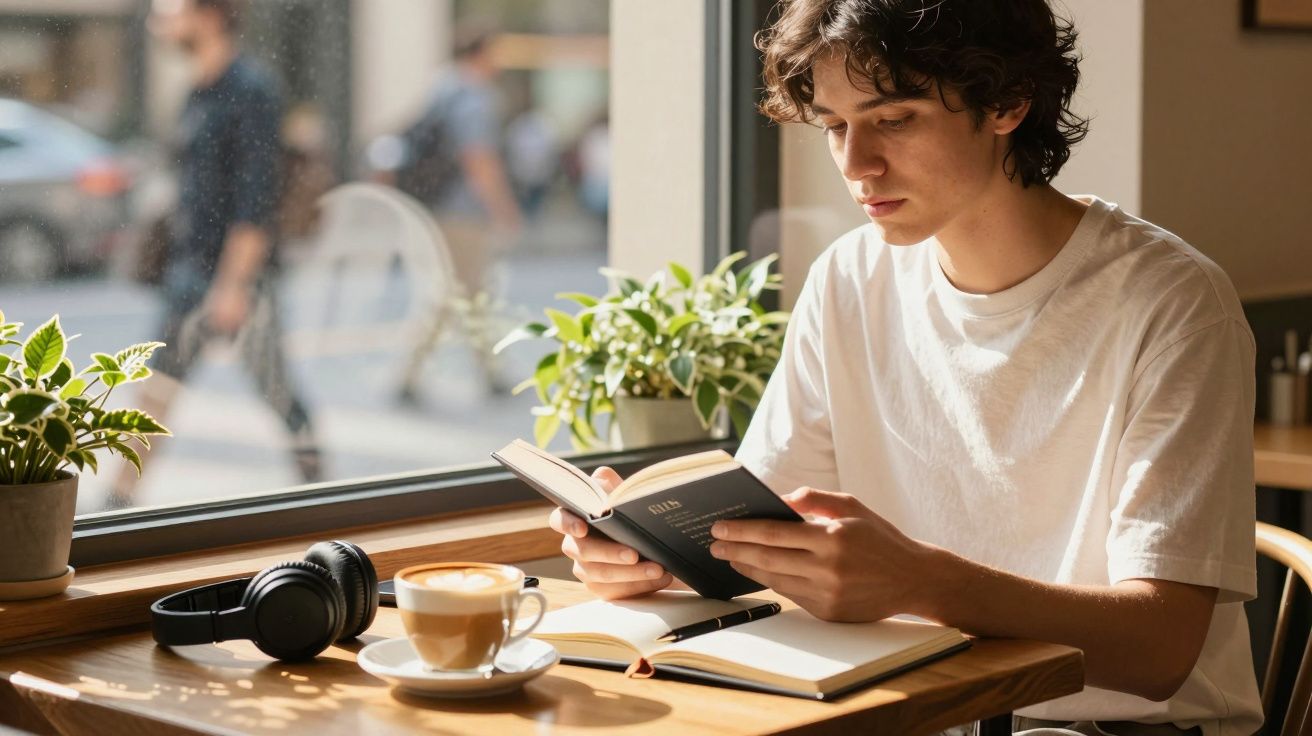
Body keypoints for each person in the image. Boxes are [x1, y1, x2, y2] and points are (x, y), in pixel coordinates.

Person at [549, 1, 1261, 734]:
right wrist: (658, 558)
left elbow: (1159, 647)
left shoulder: (1170, 302)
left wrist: (919, 581)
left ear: (1008, 102)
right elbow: (768, 532)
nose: (857, 164)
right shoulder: (848, 281)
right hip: (919, 707)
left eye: (894, 119)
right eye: (834, 126)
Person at [105, 0, 321, 509]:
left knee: (277, 389)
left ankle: (320, 485)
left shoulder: (252, 91)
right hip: (189, 268)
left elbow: (256, 198)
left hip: (236, 273)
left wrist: (234, 285)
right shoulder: (197, 90)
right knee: (156, 384)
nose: (159, 18)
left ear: (209, 15)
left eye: (170, 8)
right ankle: (117, 502)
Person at [393, 28, 523, 402]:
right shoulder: (472, 96)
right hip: (462, 212)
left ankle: (489, 370)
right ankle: (412, 374)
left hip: (436, 206)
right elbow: (478, 158)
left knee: (465, 291)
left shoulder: (442, 87)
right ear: (482, 53)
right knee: (454, 293)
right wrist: (504, 208)